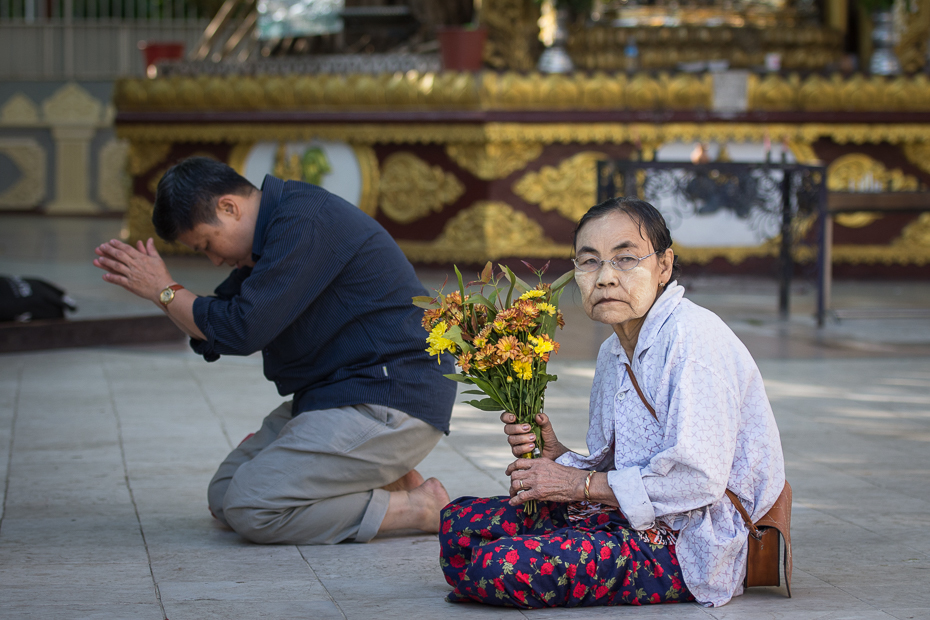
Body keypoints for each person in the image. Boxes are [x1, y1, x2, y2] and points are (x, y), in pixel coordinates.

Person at [439, 197, 785, 608]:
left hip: (694, 538)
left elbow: (699, 482)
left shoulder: (693, 343)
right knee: (458, 525)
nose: (604, 277)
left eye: (625, 259)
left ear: (664, 267)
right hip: (631, 515)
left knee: (501, 565)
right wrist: (560, 455)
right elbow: (620, 470)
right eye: (589, 262)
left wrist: (576, 484)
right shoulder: (612, 351)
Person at [93, 157, 456, 544]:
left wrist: (164, 290)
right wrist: (162, 294)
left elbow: (242, 330)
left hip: (389, 396)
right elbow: (217, 323)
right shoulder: (274, 233)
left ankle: (417, 508)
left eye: (207, 245)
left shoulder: (305, 222)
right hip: (336, 396)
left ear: (228, 207)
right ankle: (386, 475)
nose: (214, 260)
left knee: (253, 507)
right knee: (224, 495)